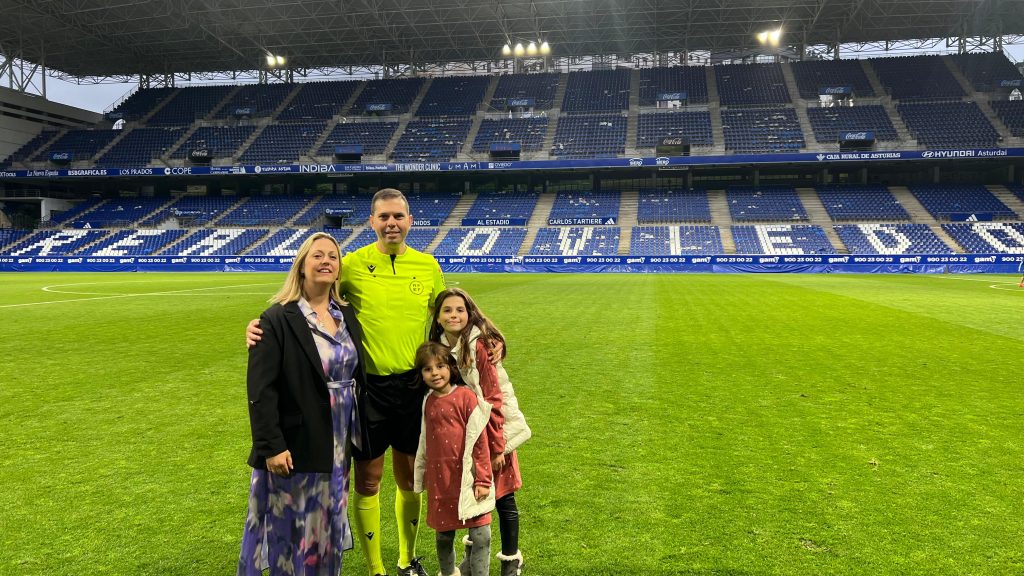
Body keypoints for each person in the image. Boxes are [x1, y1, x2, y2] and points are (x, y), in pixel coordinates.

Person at [248, 188, 448, 576]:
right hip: (367, 390)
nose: (391, 223)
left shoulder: (428, 266)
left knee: (410, 476)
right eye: (384, 217)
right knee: (369, 478)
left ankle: (406, 559)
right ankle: (376, 568)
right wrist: (258, 327)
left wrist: (480, 342)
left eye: (398, 217)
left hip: (413, 387)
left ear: (410, 220)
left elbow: (449, 315)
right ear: (372, 222)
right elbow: (307, 302)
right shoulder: (352, 264)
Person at [238, 231, 368, 576]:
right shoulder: (277, 319)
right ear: (301, 266)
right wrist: (271, 447)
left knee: (329, 522)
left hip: (339, 442)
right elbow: (261, 390)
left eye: (332, 256)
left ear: (339, 269)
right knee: (291, 527)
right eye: (317, 256)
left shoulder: (346, 315)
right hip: (297, 443)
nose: (326, 261)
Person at [430, 288, 530, 576]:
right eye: (447, 310)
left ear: (469, 312)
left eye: (460, 310)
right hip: (466, 436)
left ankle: (511, 561)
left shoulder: (480, 345)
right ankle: (471, 558)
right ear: (437, 317)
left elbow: (494, 398)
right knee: (473, 493)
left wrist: (498, 447)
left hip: (494, 430)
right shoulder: (437, 345)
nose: (454, 315)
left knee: (503, 496)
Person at [412, 342, 494, 576]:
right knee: (444, 538)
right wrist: (422, 476)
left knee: (481, 535)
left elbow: (480, 441)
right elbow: (424, 442)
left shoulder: (466, 397)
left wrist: (483, 480)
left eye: (440, 366)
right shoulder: (428, 402)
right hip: (442, 483)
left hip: (468, 480)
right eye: (428, 369)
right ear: (421, 374)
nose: (435, 373)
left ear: (450, 367)